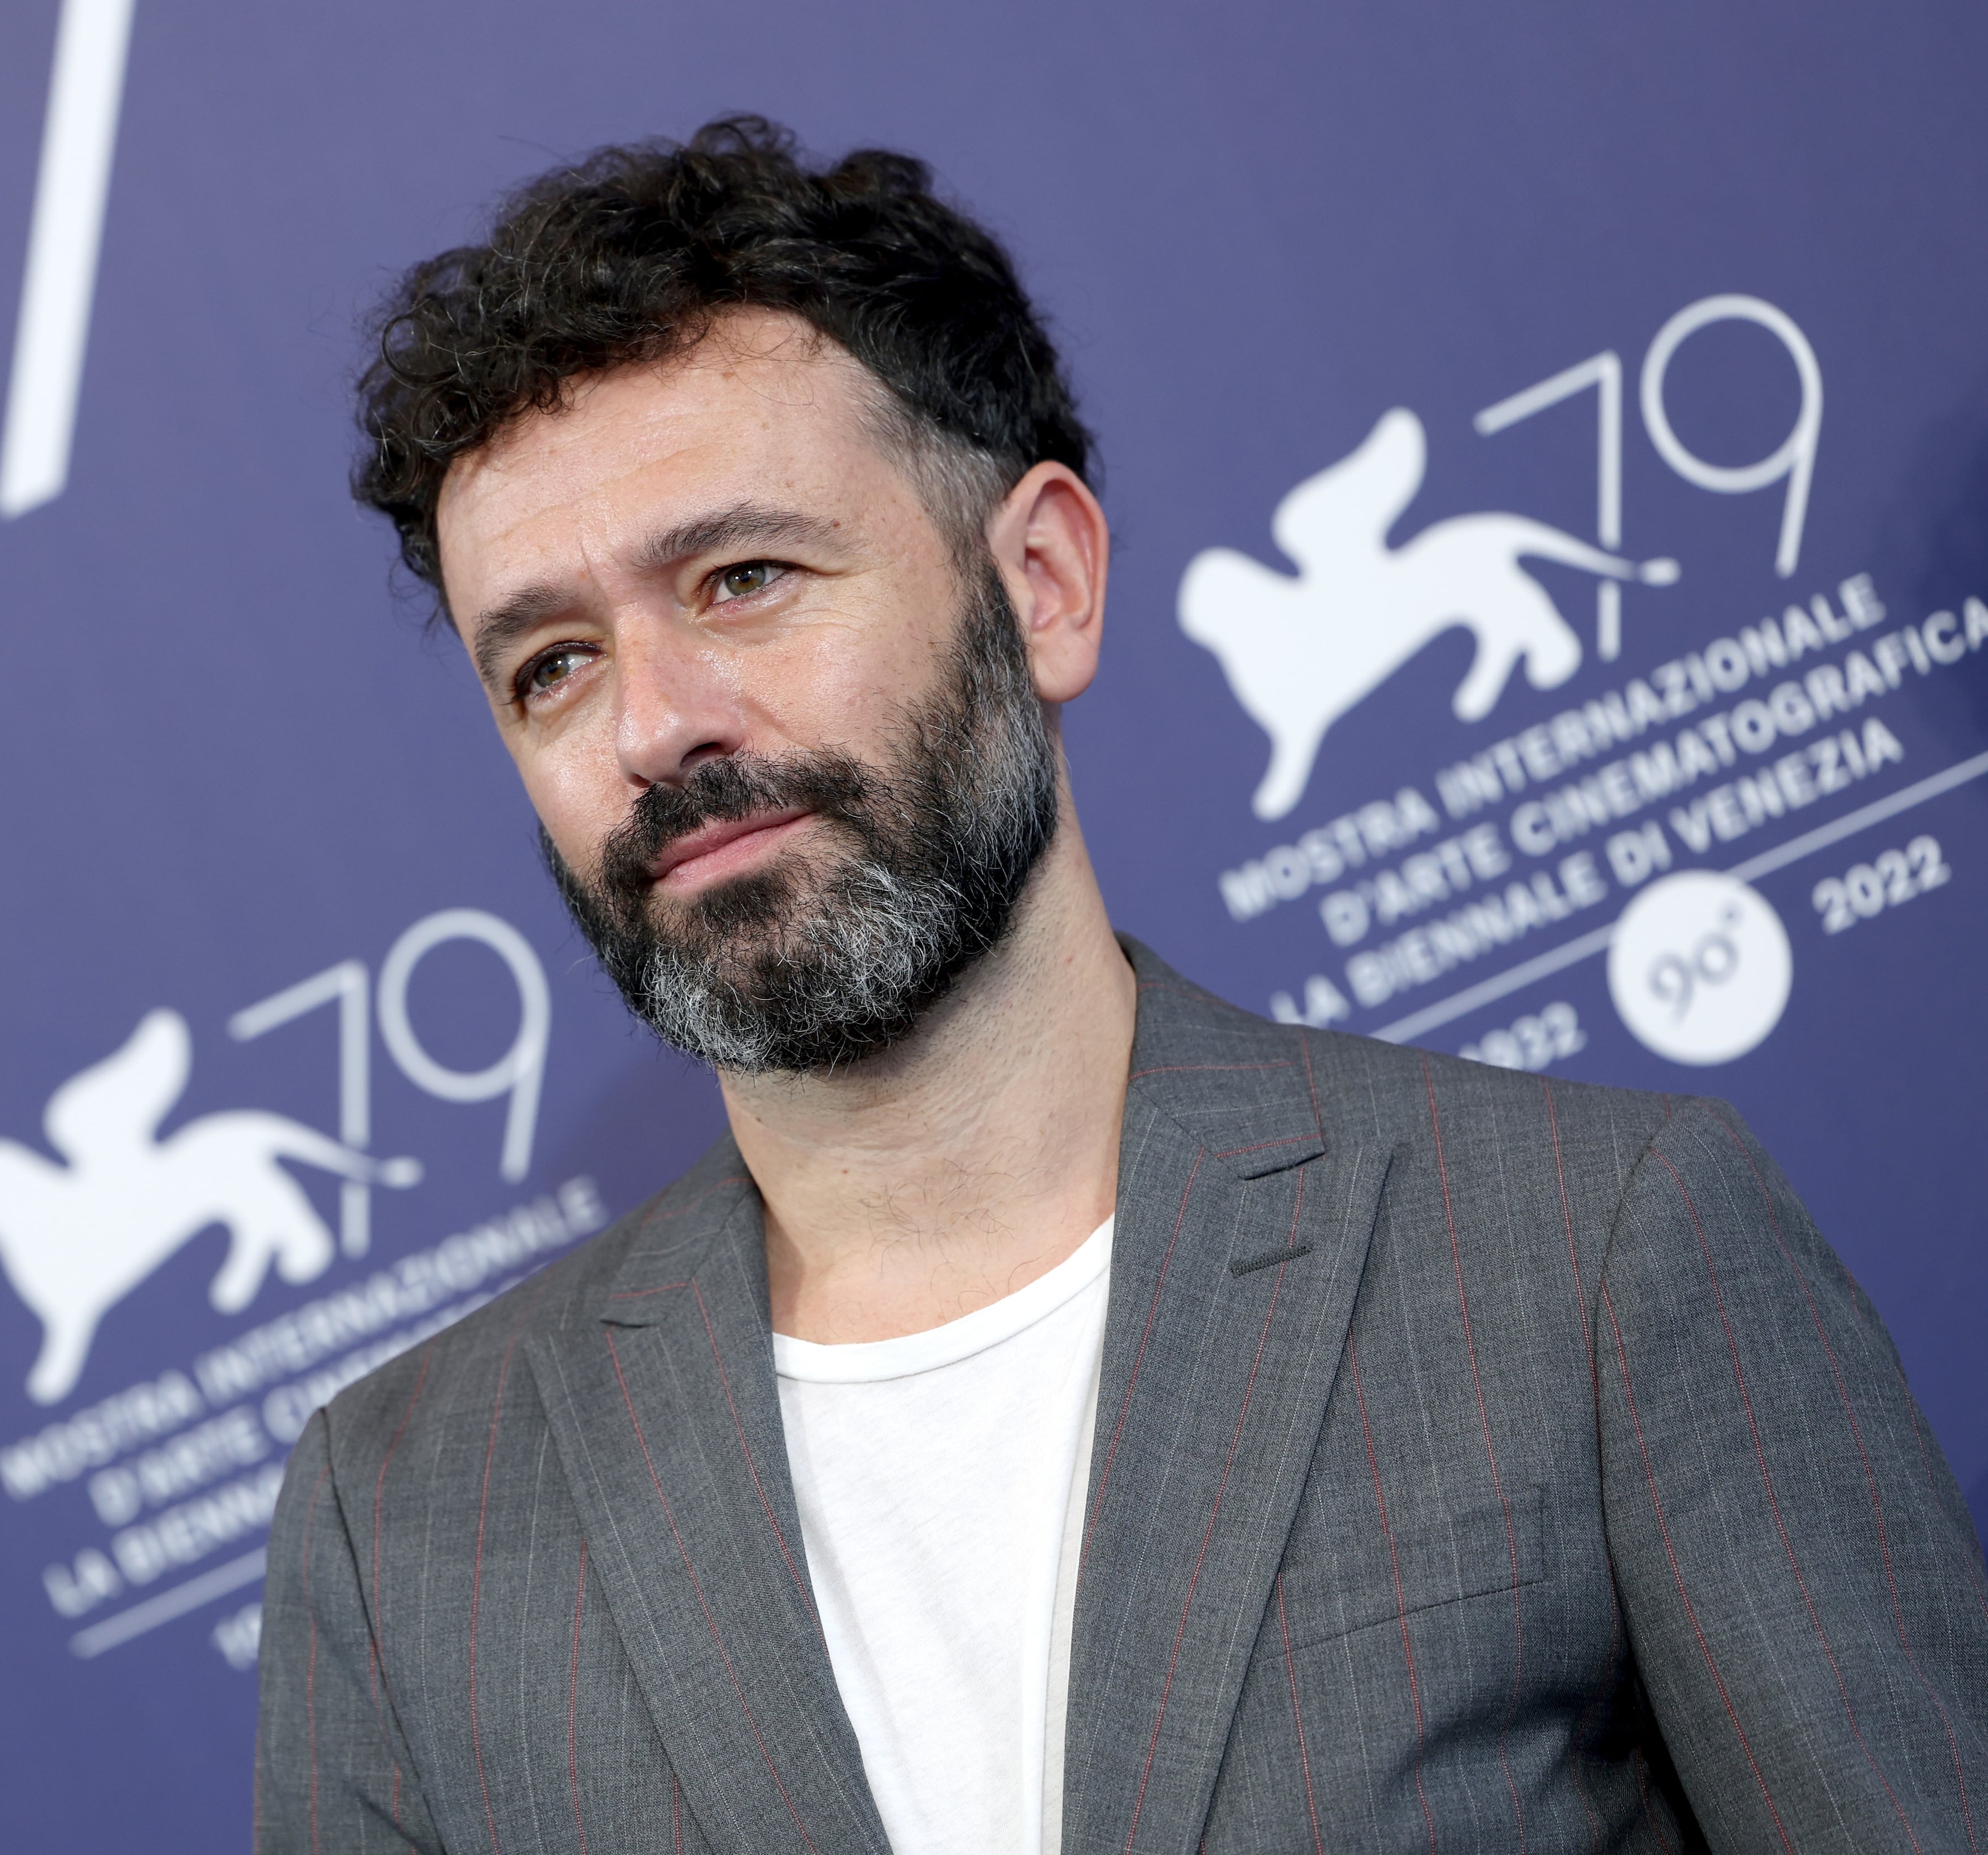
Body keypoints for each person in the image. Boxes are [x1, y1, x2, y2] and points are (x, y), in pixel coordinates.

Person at [253, 117, 1986, 1853]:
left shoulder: (1593, 1252)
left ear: (1046, 586)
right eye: (552, 665)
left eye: (745, 579)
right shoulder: (400, 1522)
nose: (654, 723)